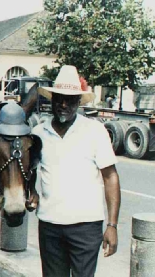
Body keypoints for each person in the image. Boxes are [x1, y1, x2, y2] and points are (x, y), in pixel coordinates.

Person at [32, 65, 121, 277]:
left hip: (85, 227)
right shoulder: (38, 133)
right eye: (59, 98)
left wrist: (112, 225)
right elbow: (29, 172)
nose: (63, 104)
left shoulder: (95, 131)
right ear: (51, 99)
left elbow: (111, 178)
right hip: (50, 226)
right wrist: (31, 193)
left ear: (78, 102)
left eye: (70, 100)